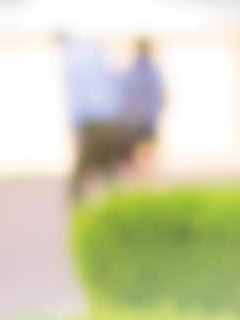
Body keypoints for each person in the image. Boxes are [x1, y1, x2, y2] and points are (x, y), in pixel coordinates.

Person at [61, 32, 128, 205]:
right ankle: (114, 199)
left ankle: (80, 200)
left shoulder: (76, 62)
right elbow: (115, 88)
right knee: (105, 164)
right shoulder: (98, 60)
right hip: (104, 118)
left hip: (91, 120)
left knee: (91, 163)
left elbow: (78, 97)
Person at [118, 37, 167, 180]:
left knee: (143, 156)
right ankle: (142, 179)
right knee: (139, 157)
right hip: (139, 120)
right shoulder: (141, 71)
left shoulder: (146, 71)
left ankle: (143, 179)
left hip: (142, 119)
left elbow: (158, 96)